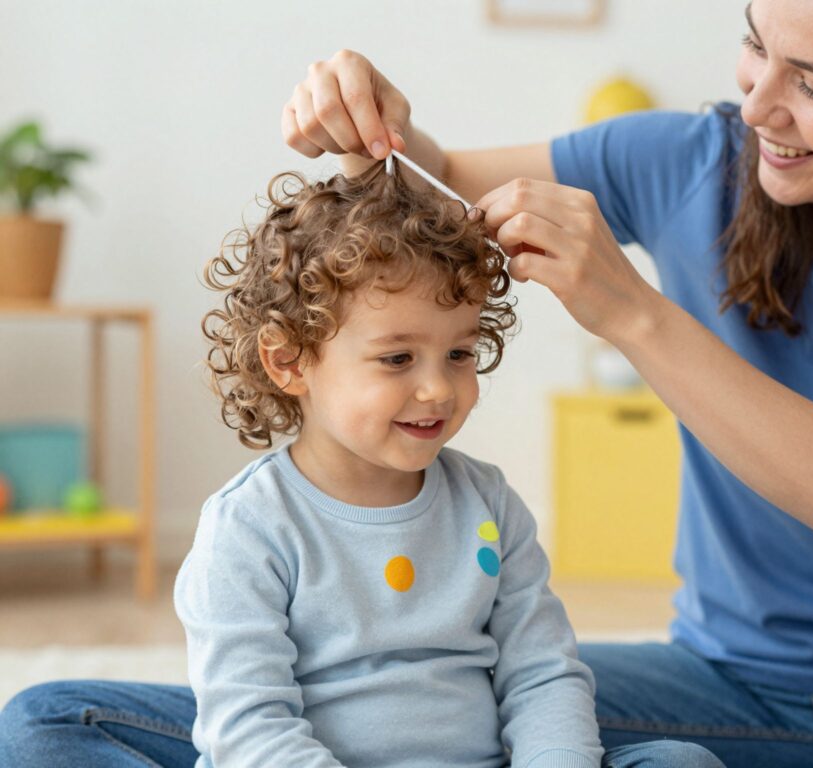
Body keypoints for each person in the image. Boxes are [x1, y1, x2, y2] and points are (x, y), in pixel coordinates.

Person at [1, 0, 813, 765]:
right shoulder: (688, 160)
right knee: (52, 723)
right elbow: (432, 189)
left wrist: (628, 308)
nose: (758, 105)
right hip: (719, 684)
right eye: (755, 44)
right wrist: (374, 122)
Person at [0, 166, 704, 768]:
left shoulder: (488, 503)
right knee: (41, 724)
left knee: (680, 760)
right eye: (397, 358)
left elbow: (543, 675)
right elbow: (250, 728)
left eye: (458, 353)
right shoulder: (248, 527)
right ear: (289, 360)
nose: (437, 388)